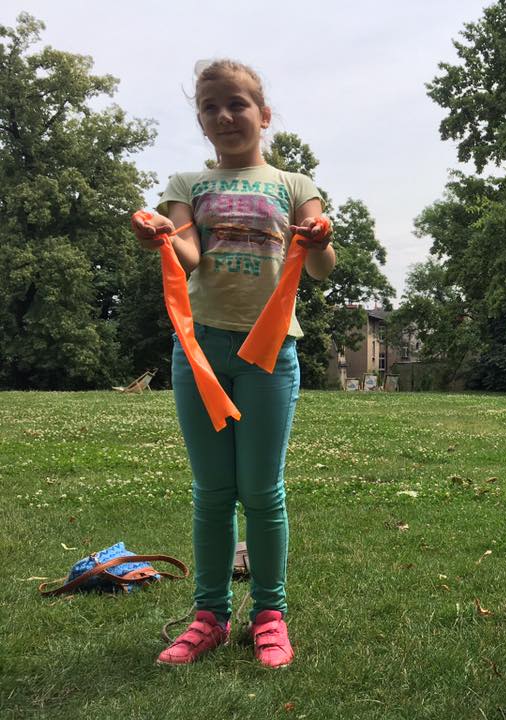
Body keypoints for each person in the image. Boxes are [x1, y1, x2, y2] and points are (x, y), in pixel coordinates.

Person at [131, 59, 335, 668]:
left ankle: (269, 616)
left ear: (263, 115)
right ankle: (210, 618)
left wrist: (320, 239)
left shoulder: (295, 184)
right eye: (210, 107)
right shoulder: (186, 183)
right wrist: (162, 234)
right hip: (200, 352)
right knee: (214, 493)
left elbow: (321, 268)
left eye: (237, 104)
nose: (224, 116)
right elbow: (190, 255)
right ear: (201, 120)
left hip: (269, 353)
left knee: (263, 492)